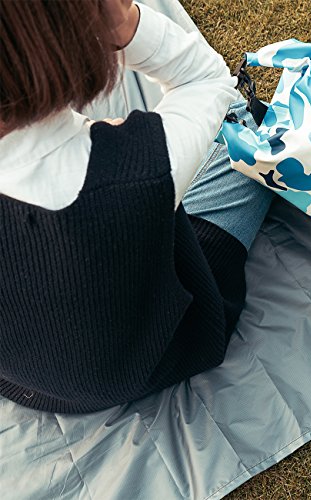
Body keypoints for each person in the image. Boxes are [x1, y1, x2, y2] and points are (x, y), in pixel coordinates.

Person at [0, 0, 274, 414]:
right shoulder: (134, 169)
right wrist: (125, 23)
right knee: (244, 125)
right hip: (163, 350)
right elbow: (207, 79)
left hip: (28, 382)